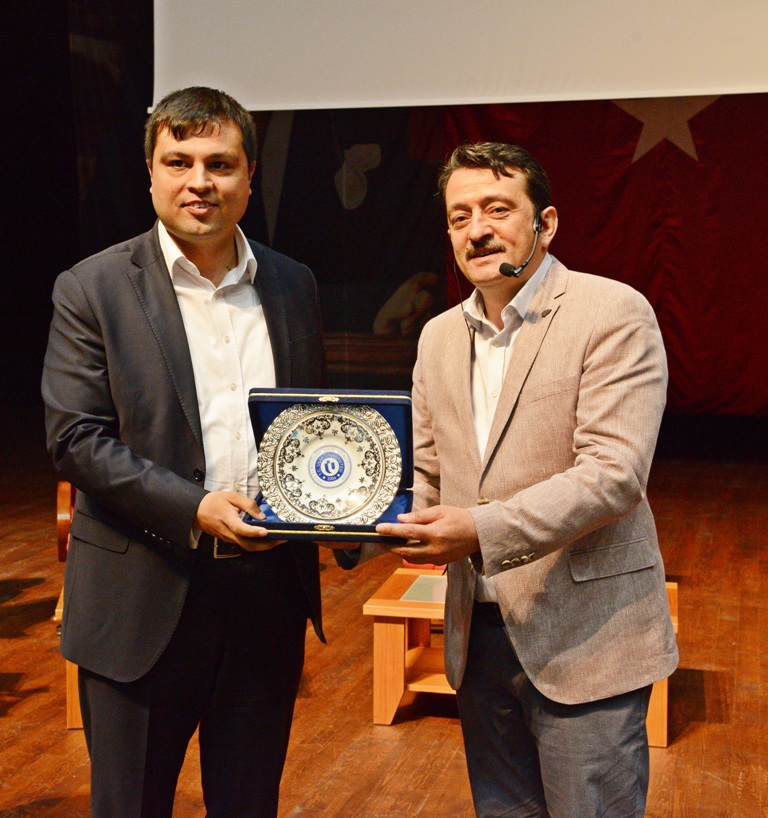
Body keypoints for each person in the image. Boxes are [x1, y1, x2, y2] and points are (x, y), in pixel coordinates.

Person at [42, 87, 331, 818]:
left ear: (250, 176)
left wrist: (347, 509)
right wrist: (195, 508)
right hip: (140, 599)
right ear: (150, 174)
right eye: (179, 161)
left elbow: (308, 426)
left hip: (266, 600)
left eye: (220, 164)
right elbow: (76, 439)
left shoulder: (292, 283)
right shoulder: (93, 287)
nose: (199, 181)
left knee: (248, 804)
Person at [376, 142, 679, 818]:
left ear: (546, 223)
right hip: (476, 634)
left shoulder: (612, 311)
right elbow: (426, 473)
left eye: (497, 209)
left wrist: (477, 529)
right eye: (460, 216)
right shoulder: (436, 337)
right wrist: (344, 517)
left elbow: (613, 473)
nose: (477, 229)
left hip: (588, 639)